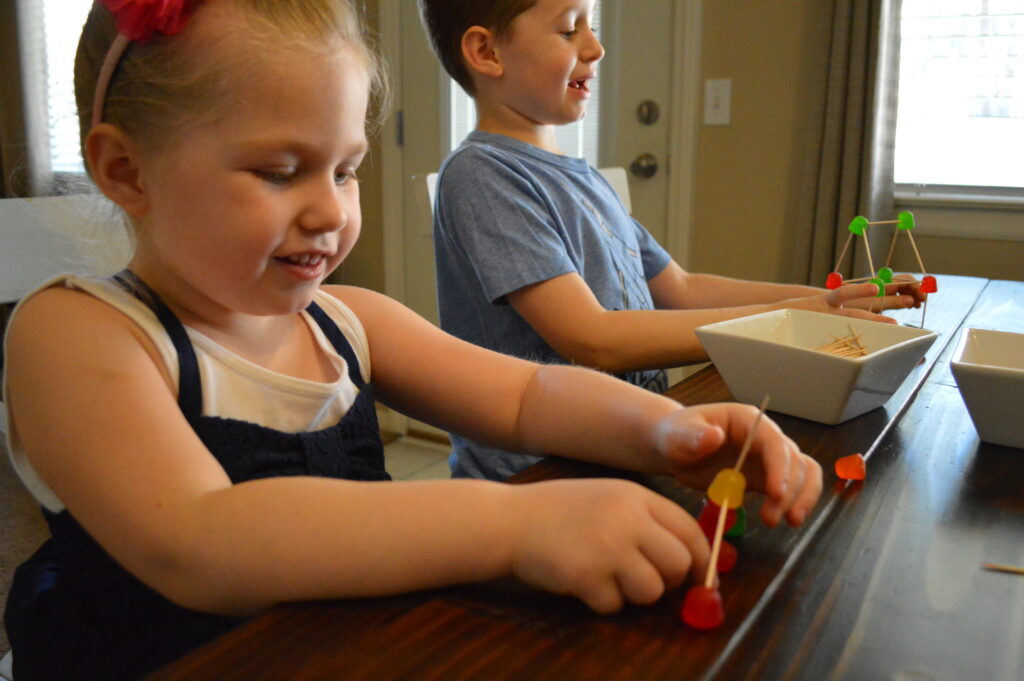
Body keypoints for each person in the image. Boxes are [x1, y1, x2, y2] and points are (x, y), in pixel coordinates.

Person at [2, 1, 822, 679]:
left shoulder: (348, 322)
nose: (331, 212)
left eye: (346, 169)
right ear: (126, 172)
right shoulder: (80, 333)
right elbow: (200, 537)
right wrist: (513, 525)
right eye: (282, 171)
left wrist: (669, 431)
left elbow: (526, 394)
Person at [417, 0, 927, 481]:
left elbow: (680, 287)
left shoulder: (583, 178)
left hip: (622, 447)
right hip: (538, 475)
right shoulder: (483, 175)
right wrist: (788, 319)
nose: (595, 47)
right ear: (486, 52)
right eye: (569, 28)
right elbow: (593, 338)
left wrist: (824, 300)